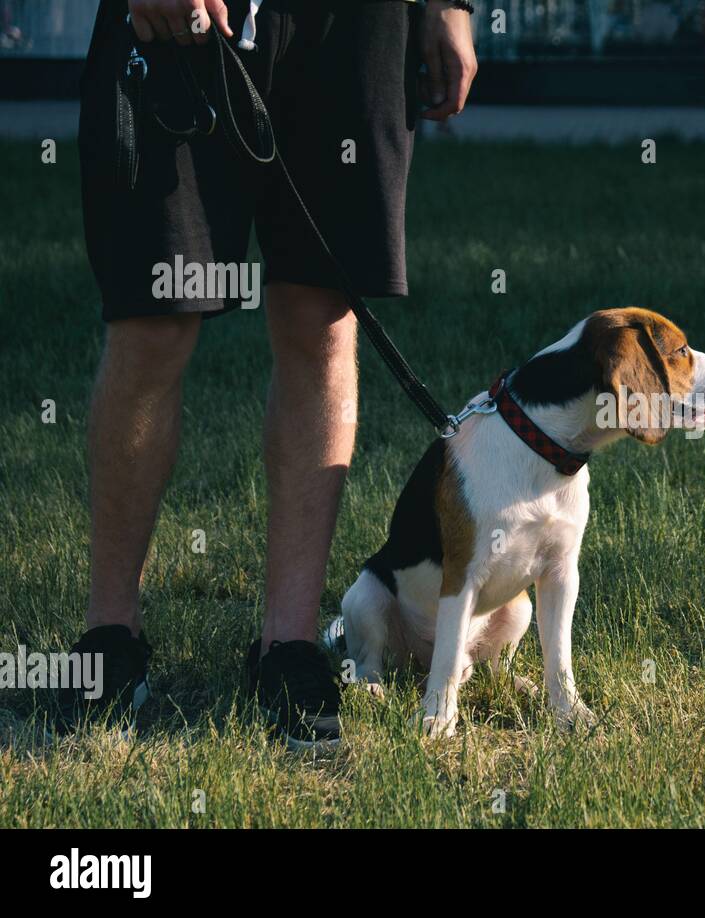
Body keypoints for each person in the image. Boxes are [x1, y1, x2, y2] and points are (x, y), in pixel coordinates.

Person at [57, 0, 478, 748]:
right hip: (177, 23)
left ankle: (289, 647)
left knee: (322, 317)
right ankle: (110, 636)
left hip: (354, 25)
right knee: (154, 319)